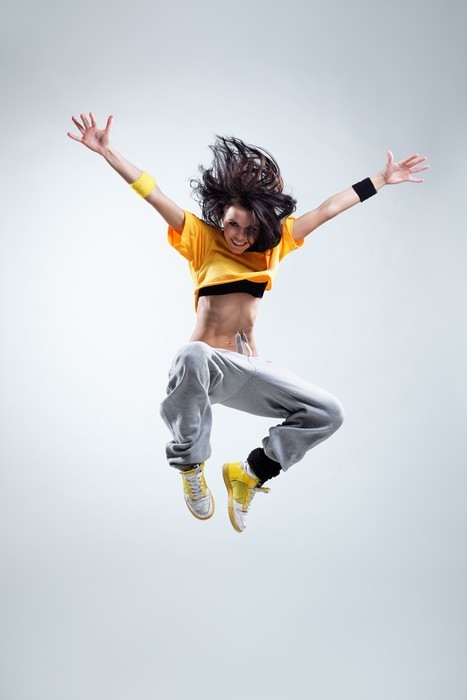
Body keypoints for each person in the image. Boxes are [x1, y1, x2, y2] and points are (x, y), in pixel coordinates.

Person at [67, 112, 429, 533]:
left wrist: (381, 179)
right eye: (232, 225)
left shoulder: (274, 248)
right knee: (192, 353)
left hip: (250, 368)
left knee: (329, 412)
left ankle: (251, 474)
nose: (239, 236)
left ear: (263, 227)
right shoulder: (201, 240)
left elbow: (328, 209)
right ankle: (191, 465)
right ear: (220, 217)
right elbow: (154, 194)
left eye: (250, 229)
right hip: (206, 369)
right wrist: (108, 151)